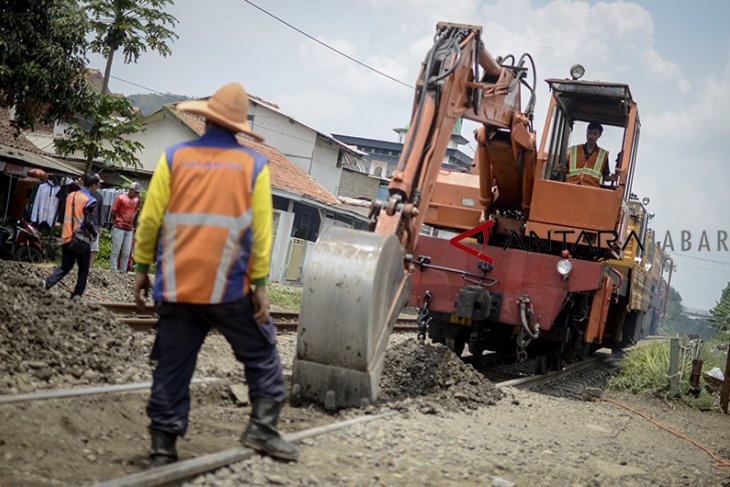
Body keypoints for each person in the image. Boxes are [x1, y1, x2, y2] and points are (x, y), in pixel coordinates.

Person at [133, 82, 298, 466]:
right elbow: (260, 233)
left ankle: (162, 445)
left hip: (176, 285)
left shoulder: (173, 158)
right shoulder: (253, 166)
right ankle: (262, 427)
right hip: (229, 286)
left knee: (173, 363)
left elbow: (151, 218)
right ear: (239, 127)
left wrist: (142, 267)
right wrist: (259, 285)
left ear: (205, 118)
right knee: (260, 351)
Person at [45, 173, 100, 298]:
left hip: (66, 236)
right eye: (97, 185)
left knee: (65, 266)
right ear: (93, 186)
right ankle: (76, 295)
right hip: (80, 239)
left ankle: (46, 284)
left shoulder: (71, 195)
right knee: (83, 269)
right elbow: (86, 221)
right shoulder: (90, 200)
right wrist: (94, 233)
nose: (97, 188)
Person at [556, 122, 617, 187]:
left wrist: (611, 178)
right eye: (589, 133)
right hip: (572, 186)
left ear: (599, 135)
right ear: (586, 132)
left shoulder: (603, 155)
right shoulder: (574, 150)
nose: (591, 136)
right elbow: (567, 169)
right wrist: (561, 169)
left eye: (594, 134)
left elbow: (605, 176)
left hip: (591, 190)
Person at [109, 182, 141, 272]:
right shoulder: (121, 198)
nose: (136, 194)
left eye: (138, 193)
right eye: (136, 192)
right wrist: (116, 220)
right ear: (130, 190)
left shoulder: (137, 200)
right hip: (119, 226)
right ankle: (113, 270)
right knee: (116, 250)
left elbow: (136, 211)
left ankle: (123, 271)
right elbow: (113, 211)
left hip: (129, 228)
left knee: (126, 252)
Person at [89, 175, 105, 268]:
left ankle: (90, 267)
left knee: (94, 248)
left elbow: (100, 211)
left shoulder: (99, 196)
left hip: (94, 225)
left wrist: (100, 225)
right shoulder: (84, 193)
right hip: (84, 224)